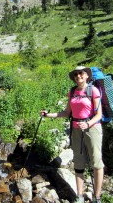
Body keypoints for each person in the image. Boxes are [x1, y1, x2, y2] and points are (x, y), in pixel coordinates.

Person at [41, 66, 104, 203]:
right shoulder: (72, 92)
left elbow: (99, 115)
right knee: (78, 162)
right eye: (75, 74)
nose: (78, 76)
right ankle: (79, 195)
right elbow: (66, 113)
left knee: (96, 162)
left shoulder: (93, 90)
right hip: (76, 130)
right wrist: (48, 115)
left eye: (81, 73)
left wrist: (87, 124)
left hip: (92, 129)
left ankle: (97, 197)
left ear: (87, 75)